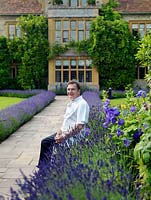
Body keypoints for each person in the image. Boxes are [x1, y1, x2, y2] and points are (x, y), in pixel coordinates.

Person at [37, 80, 90, 167]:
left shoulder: (82, 104)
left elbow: (79, 126)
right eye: (68, 89)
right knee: (46, 142)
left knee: (46, 143)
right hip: (64, 132)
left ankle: (43, 169)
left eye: (73, 89)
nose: (70, 92)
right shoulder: (72, 103)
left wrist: (64, 137)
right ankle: (45, 168)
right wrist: (59, 132)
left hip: (73, 136)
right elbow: (66, 121)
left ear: (78, 91)